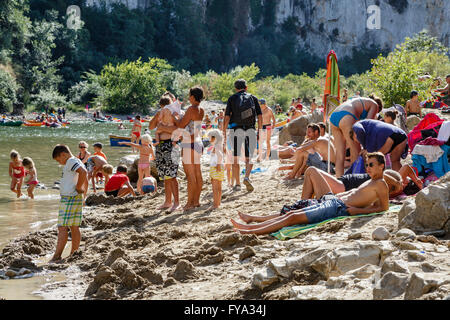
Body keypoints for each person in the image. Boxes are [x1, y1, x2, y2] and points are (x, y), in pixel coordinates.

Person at [231, 152, 389, 235]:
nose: (367, 168)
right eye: (367, 165)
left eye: (371, 165)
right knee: (292, 212)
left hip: (337, 207)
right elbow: (374, 204)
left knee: (292, 217)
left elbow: (383, 208)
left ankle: (250, 230)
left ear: (382, 166)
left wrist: (357, 211)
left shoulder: (381, 184)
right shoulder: (372, 181)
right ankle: (253, 224)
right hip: (333, 201)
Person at [222, 79, 263, 192]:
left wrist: (223, 132)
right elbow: (259, 116)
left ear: (236, 88)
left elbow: (227, 117)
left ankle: (238, 184)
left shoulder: (232, 98)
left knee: (235, 158)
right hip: (250, 129)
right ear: (246, 87)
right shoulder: (253, 98)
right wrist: (260, 131)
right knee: (249, 157)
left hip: (236, 130)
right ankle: (247, 177)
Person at [329, 95, 382, 177]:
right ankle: (355, 181)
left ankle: (339, 180)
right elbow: (367, 126)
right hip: (347, 116)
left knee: (340, 155)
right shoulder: (374, 105)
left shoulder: (357, 99)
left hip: (334, 116)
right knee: (356, 153)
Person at [50, 145, 87, 262]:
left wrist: (78, 187)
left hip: (69, 198)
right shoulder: (76, 160)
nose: (59, 163)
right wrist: (82, 191)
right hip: (75, 197)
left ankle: (57, 256)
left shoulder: (70, 161)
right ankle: (74, 253)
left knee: (62, 227)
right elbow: (83, 174)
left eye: (58, 160)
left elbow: (83, 172)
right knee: (74, 226)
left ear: (63, 154)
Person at [173, 86, 205, 210]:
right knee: (198, 173)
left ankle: (189, 203)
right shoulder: (201, 110)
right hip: (198, 142)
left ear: (192, 97)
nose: (188, 97)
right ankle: (196, 201)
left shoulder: (191, 109)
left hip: (188, 144)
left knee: (190, 176)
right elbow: (195, 128)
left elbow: (181, 125)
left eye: (189, 95)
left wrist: (175, 117)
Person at [148, 97, 181, 212]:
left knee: (172, 175)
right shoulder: (160, 114)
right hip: (160, 146)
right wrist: (157, 117)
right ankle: (168, 201)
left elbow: (178, 129)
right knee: (165, 176)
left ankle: (177, 202)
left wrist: (163, 128)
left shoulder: (174, 113)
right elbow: (151, 127)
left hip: (171, 145)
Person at [300, 166, 404, 200]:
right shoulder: (377, 182)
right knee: (312, 175)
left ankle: (304, 204)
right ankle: (304, 204)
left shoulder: (378, 180)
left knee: (311, 171)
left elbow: (384, 174)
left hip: (342, 186)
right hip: (342, 184)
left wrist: (397, 183)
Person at [207, 129, 224, 210]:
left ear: (215, 138)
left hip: (215, 167)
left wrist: (218, 164)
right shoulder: (220, 145)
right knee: (219, 187)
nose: (209, 140)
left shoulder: (216, 146)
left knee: (215, 188)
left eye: (210, 138)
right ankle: (218, 202)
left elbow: (220, 156)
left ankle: (215, 204)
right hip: (220, 167)